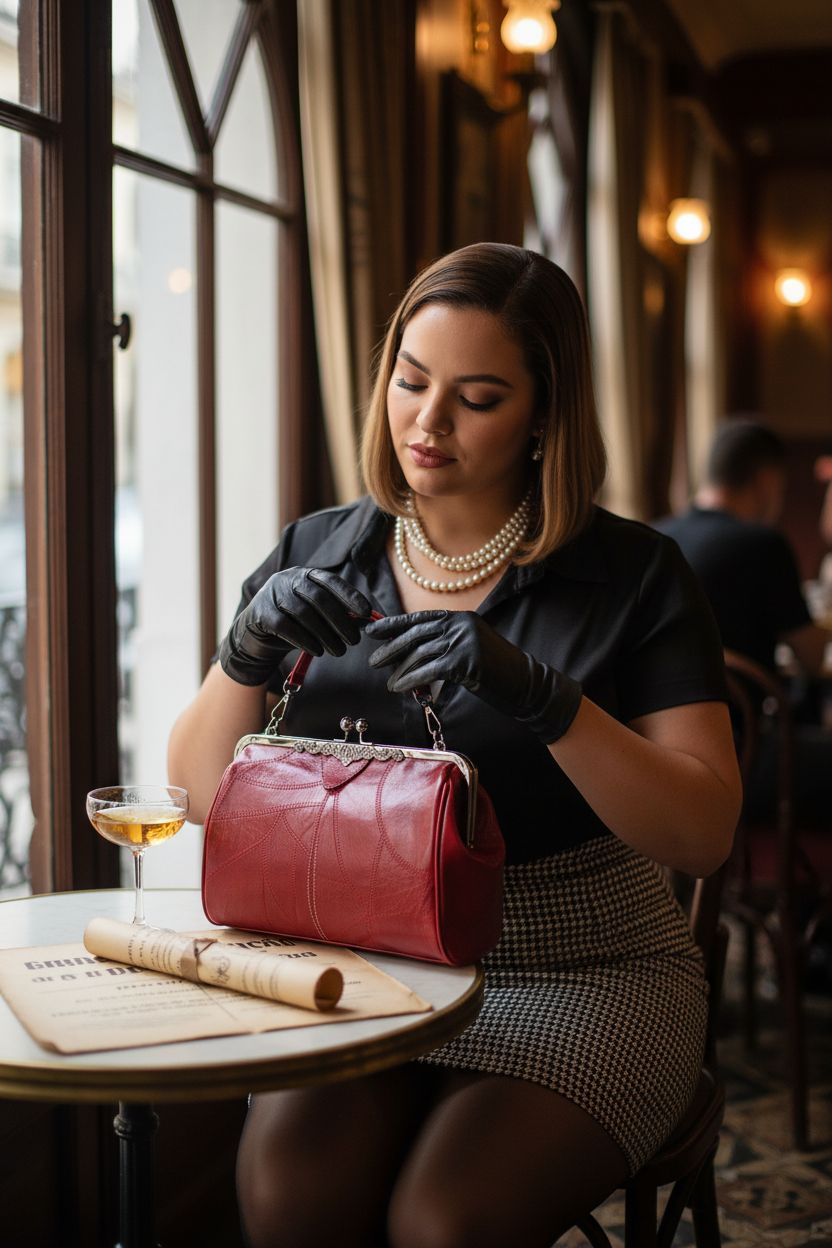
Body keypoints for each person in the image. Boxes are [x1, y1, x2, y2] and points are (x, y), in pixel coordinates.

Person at [168, 243, 740, 1248]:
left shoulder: (635, 575)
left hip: (582, 962)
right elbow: (199, 795)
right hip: (362, 959)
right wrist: (243, 647)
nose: (426, 424)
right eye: (410, 381)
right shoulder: (319, 547)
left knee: (446, 1222)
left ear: (545, 416)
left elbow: (703, 834)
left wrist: (543, 699)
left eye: (475, 397)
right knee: (288, 1198)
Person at [654, 418, 829, 678]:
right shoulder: (764, 544)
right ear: (767, 480)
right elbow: (812, 658)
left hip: (658, 715)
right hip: (742, 714)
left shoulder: (654, 537)